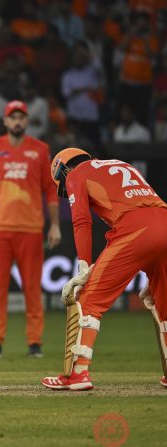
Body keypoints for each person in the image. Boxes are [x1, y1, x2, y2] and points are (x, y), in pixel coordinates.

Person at [42, 149, 167, 390]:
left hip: (135, 229)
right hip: (163, 219)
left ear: (63, 170)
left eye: (64, 187)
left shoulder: (76, 174)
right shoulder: (121, 163)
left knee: (87, 298)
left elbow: (81, 221)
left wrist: (83, 266)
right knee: (164, 303)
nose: (67, 191)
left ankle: (76, 374)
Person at [0, 100, 61, 359]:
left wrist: (54, 225)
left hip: (30, 229)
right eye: (13, 117)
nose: (18, 121)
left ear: (27, 120)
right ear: (6, 121)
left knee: (32, 288)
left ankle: (35, 342)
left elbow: (50, 190)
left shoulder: (41, 150)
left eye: (22, 117)